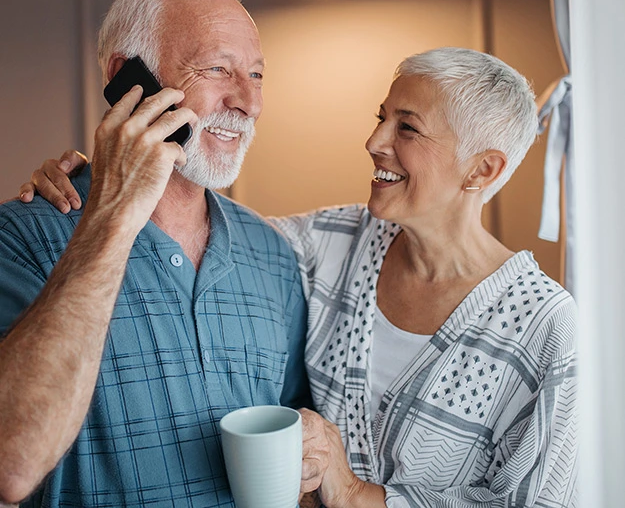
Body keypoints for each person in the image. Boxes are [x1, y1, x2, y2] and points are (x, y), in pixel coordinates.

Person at [22, 47, 578, 507]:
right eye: (381, 116)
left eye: (407, 127)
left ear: (482, 169)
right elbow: (194, 227)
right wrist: (101, 175)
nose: (375, 141)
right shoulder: (329, 243)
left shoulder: (545, 329)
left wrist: (357, 493)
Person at [0, 0, 327, 508]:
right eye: (218, 69)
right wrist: (110, 218)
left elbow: (295, 427)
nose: (248, 101)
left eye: (258, 74)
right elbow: (9, 466)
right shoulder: (20, 238)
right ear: (129, 77)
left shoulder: (271, 253)